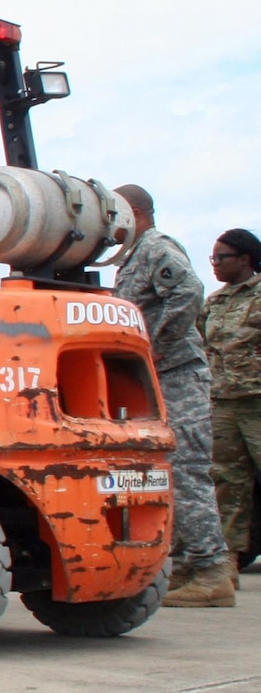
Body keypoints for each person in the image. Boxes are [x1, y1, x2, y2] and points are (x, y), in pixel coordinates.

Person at [111, 185, 232, 606]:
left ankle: (211, 569)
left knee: (186, 470)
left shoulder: (155, 248)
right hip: (160, 378)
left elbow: (188, 292)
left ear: (136, 211)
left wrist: (155, 347)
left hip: (177, 375)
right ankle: (187, 564)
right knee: (166, 471)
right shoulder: (133, 256)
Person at [199, 226, 261, 592]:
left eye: (221, 257)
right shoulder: (216, 302)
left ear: (245, 259)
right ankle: (226, 564)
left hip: (257, 400)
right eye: (212, 258)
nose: (215, 265)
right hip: (222, 402)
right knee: (227, 482)